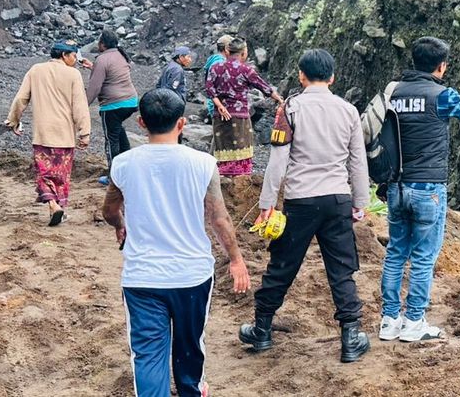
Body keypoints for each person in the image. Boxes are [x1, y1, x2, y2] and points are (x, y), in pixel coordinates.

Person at [102, 89, 251, 397]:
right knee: (189, 345)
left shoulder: (123, 164)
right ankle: (192, 390)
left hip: (142, 277)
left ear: (141, 123)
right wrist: (235, 259)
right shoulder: (202, 163)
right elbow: (219, 218)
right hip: (191, 275)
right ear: (181, 123)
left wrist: (120, 226)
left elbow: (110, 210)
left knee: (147, 355)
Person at [239, 49, 371, 363]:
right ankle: (351, 338)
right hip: (338, 199)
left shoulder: (291, 108)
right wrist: (360, 202)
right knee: (341, 270)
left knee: (282, 265)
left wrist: (267, 203)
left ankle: (262, 330)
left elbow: (277, 162)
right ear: (333, 77)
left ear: (301, 75)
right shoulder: (348, 110)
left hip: (301, 200)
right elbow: (357, 161)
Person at [379, 37, 460, 342]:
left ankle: (389, 321)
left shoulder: (392, 92)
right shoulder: (440, 96)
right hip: (428, 188)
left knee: (396, 253)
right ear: (442, 66)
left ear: (414, 61)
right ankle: (414, 322)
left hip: (396, 186)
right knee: (424, 257)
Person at [5, 40, 92, 226]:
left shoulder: (36, 70)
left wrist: (13, 121)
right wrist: (85, 132)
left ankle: (53, 205)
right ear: (64, 55)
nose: (76, 60)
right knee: (61, 175)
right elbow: (80, 105)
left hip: (43, 134)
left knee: (44, 173)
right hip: (64, 135)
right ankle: (57, 206)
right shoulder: (73, 75)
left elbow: (21, 98)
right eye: (74, 56)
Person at [204, 38, 281, 178]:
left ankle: (222, 180)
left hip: (220, 117)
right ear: (243, 53)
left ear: (228, 51)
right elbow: (265, 87)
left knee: (222, 147)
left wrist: (220, 106)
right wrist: (280, 100)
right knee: (241, 149)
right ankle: (240, 183)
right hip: (240, 117)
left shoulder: (215, 68)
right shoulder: (246, 70)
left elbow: (209, 89)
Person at [87, 29, 139, 185]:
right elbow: (113, 73)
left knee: (111, 141)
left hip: (113, 105)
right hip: (131, 101)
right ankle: (129, 171)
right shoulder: (120, 55)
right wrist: (92, 67)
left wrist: (83, 106)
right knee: (118, 133)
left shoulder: (102, 59)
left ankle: (113, 177)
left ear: (102, 44)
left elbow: (94, 87)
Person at [203, 34, 233, 120]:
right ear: (226, 48)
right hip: (218, 105)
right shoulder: (219, 63)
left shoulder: (214, 59)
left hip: (213, 102)